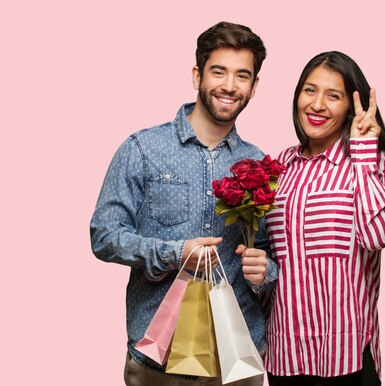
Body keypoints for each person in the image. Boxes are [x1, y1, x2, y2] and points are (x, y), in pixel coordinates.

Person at [90, 22, 277, 386]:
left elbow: (272, 257)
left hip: (235, 361)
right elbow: (104, 235)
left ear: (254, 86)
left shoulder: (259, 166)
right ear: (197, 75)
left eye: (242, 75)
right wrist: (175, 252)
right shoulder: (143, 149)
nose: (229, 85)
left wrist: (265, 272)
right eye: (218, 71)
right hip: (159, 359)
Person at [264, 51, 385, 386]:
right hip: (284, 357)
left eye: (334, 96)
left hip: (347, 360)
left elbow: (375, 237)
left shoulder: (374, 162)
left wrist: (362, 152)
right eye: (309, 90)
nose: (317, 105)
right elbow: (269, 260)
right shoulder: (278, 167)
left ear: (348, 107)